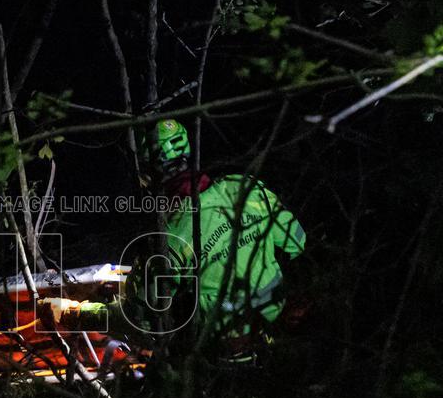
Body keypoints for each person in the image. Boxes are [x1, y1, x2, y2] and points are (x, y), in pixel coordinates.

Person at [41, 119, 306, 359]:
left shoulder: (170, 240)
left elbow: (142, 323)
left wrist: (73, 314)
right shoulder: (245, 189)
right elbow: (299, 244)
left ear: (148, 176)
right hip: (283, 339)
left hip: (222, 360)